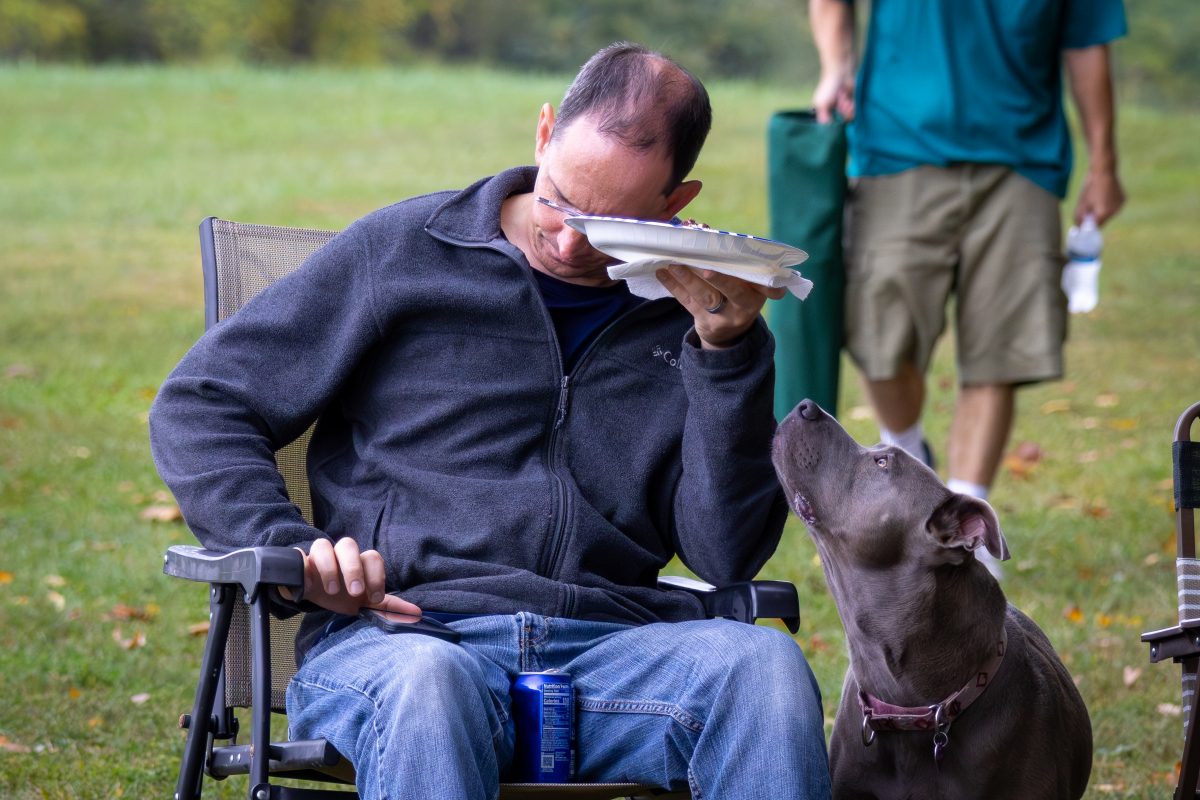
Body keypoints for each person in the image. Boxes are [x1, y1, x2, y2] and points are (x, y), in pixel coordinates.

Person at [149, 43, 830, 800]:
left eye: (609, 224)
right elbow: (201, 402)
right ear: (543, 134)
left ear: (675, 204)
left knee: (763, 668)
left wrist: (727, 354)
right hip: (402, 641)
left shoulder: (692, 314)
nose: (568, 242)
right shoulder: (405, 252)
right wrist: (291, 546)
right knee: (431, 684)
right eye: (560, 200)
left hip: (611, 655)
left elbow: (725, 554)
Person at [810, 0, 1127, 571]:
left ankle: (966, 529)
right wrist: (836, 65)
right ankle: (908, 454)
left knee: (998, 353)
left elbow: (1086, 41)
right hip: (897, 148)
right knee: (880, 343)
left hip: (1021, 161)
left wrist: (1103, 165)